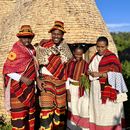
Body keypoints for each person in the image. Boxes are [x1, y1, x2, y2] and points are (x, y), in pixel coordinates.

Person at [36, 21, 72, 130]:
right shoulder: (44, 44)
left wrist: (68, 88)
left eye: (59, 34)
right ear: (51, 33)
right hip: (46, 80)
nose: (56, 36)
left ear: (62, 35)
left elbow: (67, 69)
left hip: (61, 81)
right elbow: (37, 63)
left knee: (60, 110)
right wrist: (37, 79)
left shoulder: (66, 48)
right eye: (54, 33)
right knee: (46, 109)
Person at [3, 25, 38, 130]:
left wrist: (37, 80)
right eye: (24, 37)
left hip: (30, 89)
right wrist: (22, 78)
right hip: (17, 88)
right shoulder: (16, 50)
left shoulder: (32, 50)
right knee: (19, 118)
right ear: (19, 38)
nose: (27, 40)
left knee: (29, 116)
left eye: (29, 37)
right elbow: (7, 70)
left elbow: (34, 67)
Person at [88, 36, 128, 130]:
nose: (100, 49)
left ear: (107, 46)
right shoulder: (94, 56)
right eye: (98, 46)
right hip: (96, 89)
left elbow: (117, 75)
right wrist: (89, 72)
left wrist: (100, 74)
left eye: (103, 47)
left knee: (108, 112)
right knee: (98, 112)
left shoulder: (112, 57)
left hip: (107, 90)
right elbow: (90, 68)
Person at [65, 45, 89, 130]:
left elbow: (87, 78)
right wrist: (68, 93)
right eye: (76, 54)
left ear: (82, 54)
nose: (78, 56)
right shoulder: (69, 63)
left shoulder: (85, 64)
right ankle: (72, 127)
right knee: (72, 107)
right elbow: (66, 78)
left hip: (82, 89)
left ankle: (81, 127)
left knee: (82, 108)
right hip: (72, 88)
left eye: (80, 54)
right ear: (74, 53)